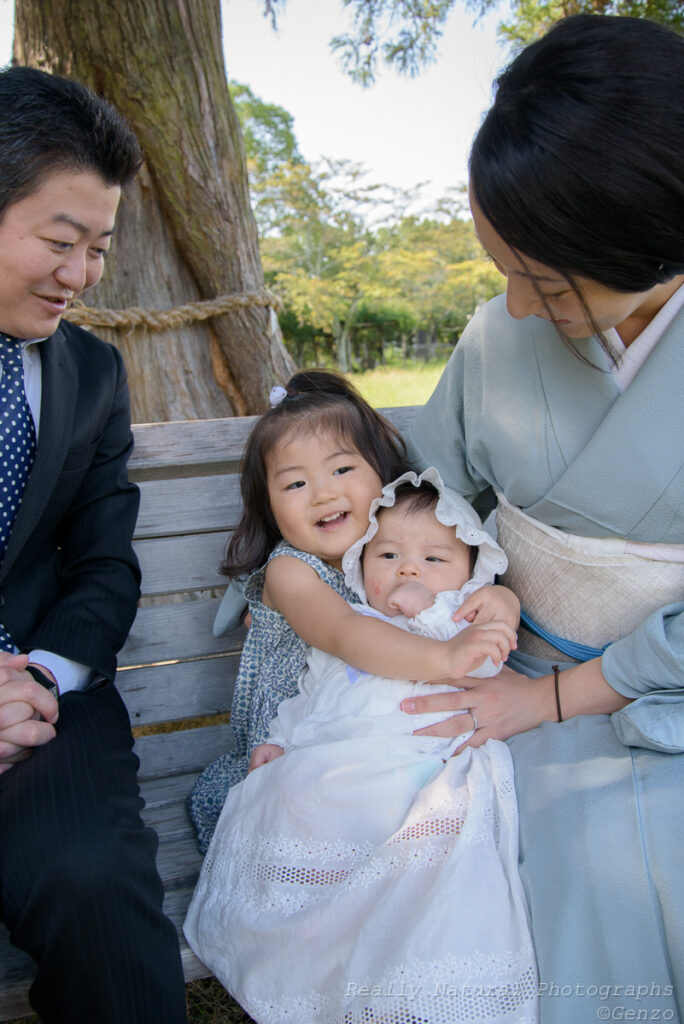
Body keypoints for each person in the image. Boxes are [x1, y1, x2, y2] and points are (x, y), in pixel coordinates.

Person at [401, 14, 684, 1024]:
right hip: (503, 655)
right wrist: (455, 597)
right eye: (502, 268)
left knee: (612, 856)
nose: (514, 309)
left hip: (658, 693)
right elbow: (430, 493)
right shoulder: (496, 336)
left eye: (548, 282)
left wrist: (566, 698)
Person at [185, 470, 532, 1024]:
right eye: (388, 555)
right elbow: (308, 696)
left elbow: (486, 663)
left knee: (421, 825)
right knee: (296, 798)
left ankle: (384, 958)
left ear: (471, 575)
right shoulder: (354, 623)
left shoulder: (455, 624)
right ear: (361, 564)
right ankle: (315, 920)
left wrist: (495, 605)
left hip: (415, 763)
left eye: (435, 560)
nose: (409, 568)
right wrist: (278, 740)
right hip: (335, 756)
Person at [0, 67, 187, 1023]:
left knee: (96, 887)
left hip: (43, 709)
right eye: (60, 242)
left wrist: (36, 677)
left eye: (99, 248)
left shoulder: (93, 374)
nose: (80, 276)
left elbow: (104, 557)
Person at [187, 371, 517, 853]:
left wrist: (501, 601)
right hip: (294, 745)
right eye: (296, 483)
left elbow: (455, 588)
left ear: (381, 475)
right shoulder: (291, 571)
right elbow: (347, 633)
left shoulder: (386, 551)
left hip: (373, 735)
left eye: (341, 470)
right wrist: (446, 659)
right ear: (270, 506)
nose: (322, 493)